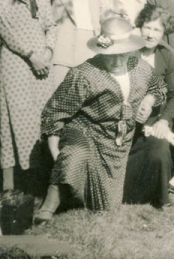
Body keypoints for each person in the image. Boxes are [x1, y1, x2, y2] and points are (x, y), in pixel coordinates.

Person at [34, 17, 165, 222]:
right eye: (110, 55)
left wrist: (149, 100)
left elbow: (159, 88)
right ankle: (48, 207)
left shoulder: (140, 68)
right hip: (85, 130)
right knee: (76, 153)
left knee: (106, 207)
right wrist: (55, 150)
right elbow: (54, 112)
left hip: (116, 143)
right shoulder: (84, 73)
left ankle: (75, 195)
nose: (116, 60)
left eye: (121, 54)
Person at [0, 0, 56, 194]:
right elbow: (5, 28)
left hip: (42, 67)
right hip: (16, 63)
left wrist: (48, 52)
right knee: (12, 117)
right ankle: (9, 184)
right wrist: (32, 55)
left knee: (41, 118)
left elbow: (50, 25)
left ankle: (38, 181)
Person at [122, 4, 174, 210]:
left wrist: (164, 121)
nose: (150, 34)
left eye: (157, 30)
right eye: (147, 27)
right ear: (139, 27)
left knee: (160, 149)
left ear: (163, 33)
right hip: (125, 122)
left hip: (153, 122)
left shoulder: (166, 56)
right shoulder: (128, 52)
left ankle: (163, 198)